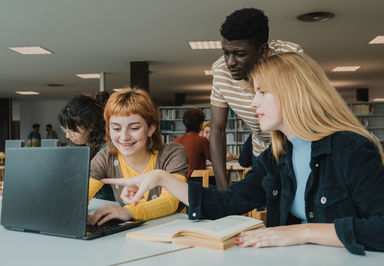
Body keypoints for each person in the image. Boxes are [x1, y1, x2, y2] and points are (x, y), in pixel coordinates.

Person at [103, 52, 384, 255]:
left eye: (262, 92)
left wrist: (303, 231)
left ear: (292, 94)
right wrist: (161, 177)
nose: (253, 102)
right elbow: (226, 202)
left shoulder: (352, 149)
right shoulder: (277, 156)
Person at [210, 8, 303, 189]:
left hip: (297, 147)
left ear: (262, 51)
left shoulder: (289, 57)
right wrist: (223, 188)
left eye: (240, 54)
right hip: (262, 152)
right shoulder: (220, 71)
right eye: (226, 52)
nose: (229, 62)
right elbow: (217, 129)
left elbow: (305, 114)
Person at [87, 88, 189, 225]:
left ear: (151, 128)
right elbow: (81, 196)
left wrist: (128, 212)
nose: (124, 137)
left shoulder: (172, 153)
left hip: (173, 229)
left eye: (134, 128)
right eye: (116, 128)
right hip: (133, 232)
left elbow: (171, 201)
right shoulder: (106, 157)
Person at [59, 91, 114, 200]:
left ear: (91, 126)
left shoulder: (107, 150)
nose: (67, 136)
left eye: (72, 131)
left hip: (108, 205)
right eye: (65, 130)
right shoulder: (80, 147)